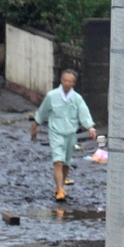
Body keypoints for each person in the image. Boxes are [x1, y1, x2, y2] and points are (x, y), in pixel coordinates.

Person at [31, 69, 97, 201]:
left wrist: (90, 127)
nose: (67, 83)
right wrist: (35, 126)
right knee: (58, 161)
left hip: (71, 133)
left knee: (67, 162)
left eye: (70, 81)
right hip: (56, 132)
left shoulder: (77, 99)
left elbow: (83, 113)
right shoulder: (51, 96)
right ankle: (60, 189)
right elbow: (42, 111)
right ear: (61, 81)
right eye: (65, 80)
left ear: (74, 83)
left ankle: (60, 184)